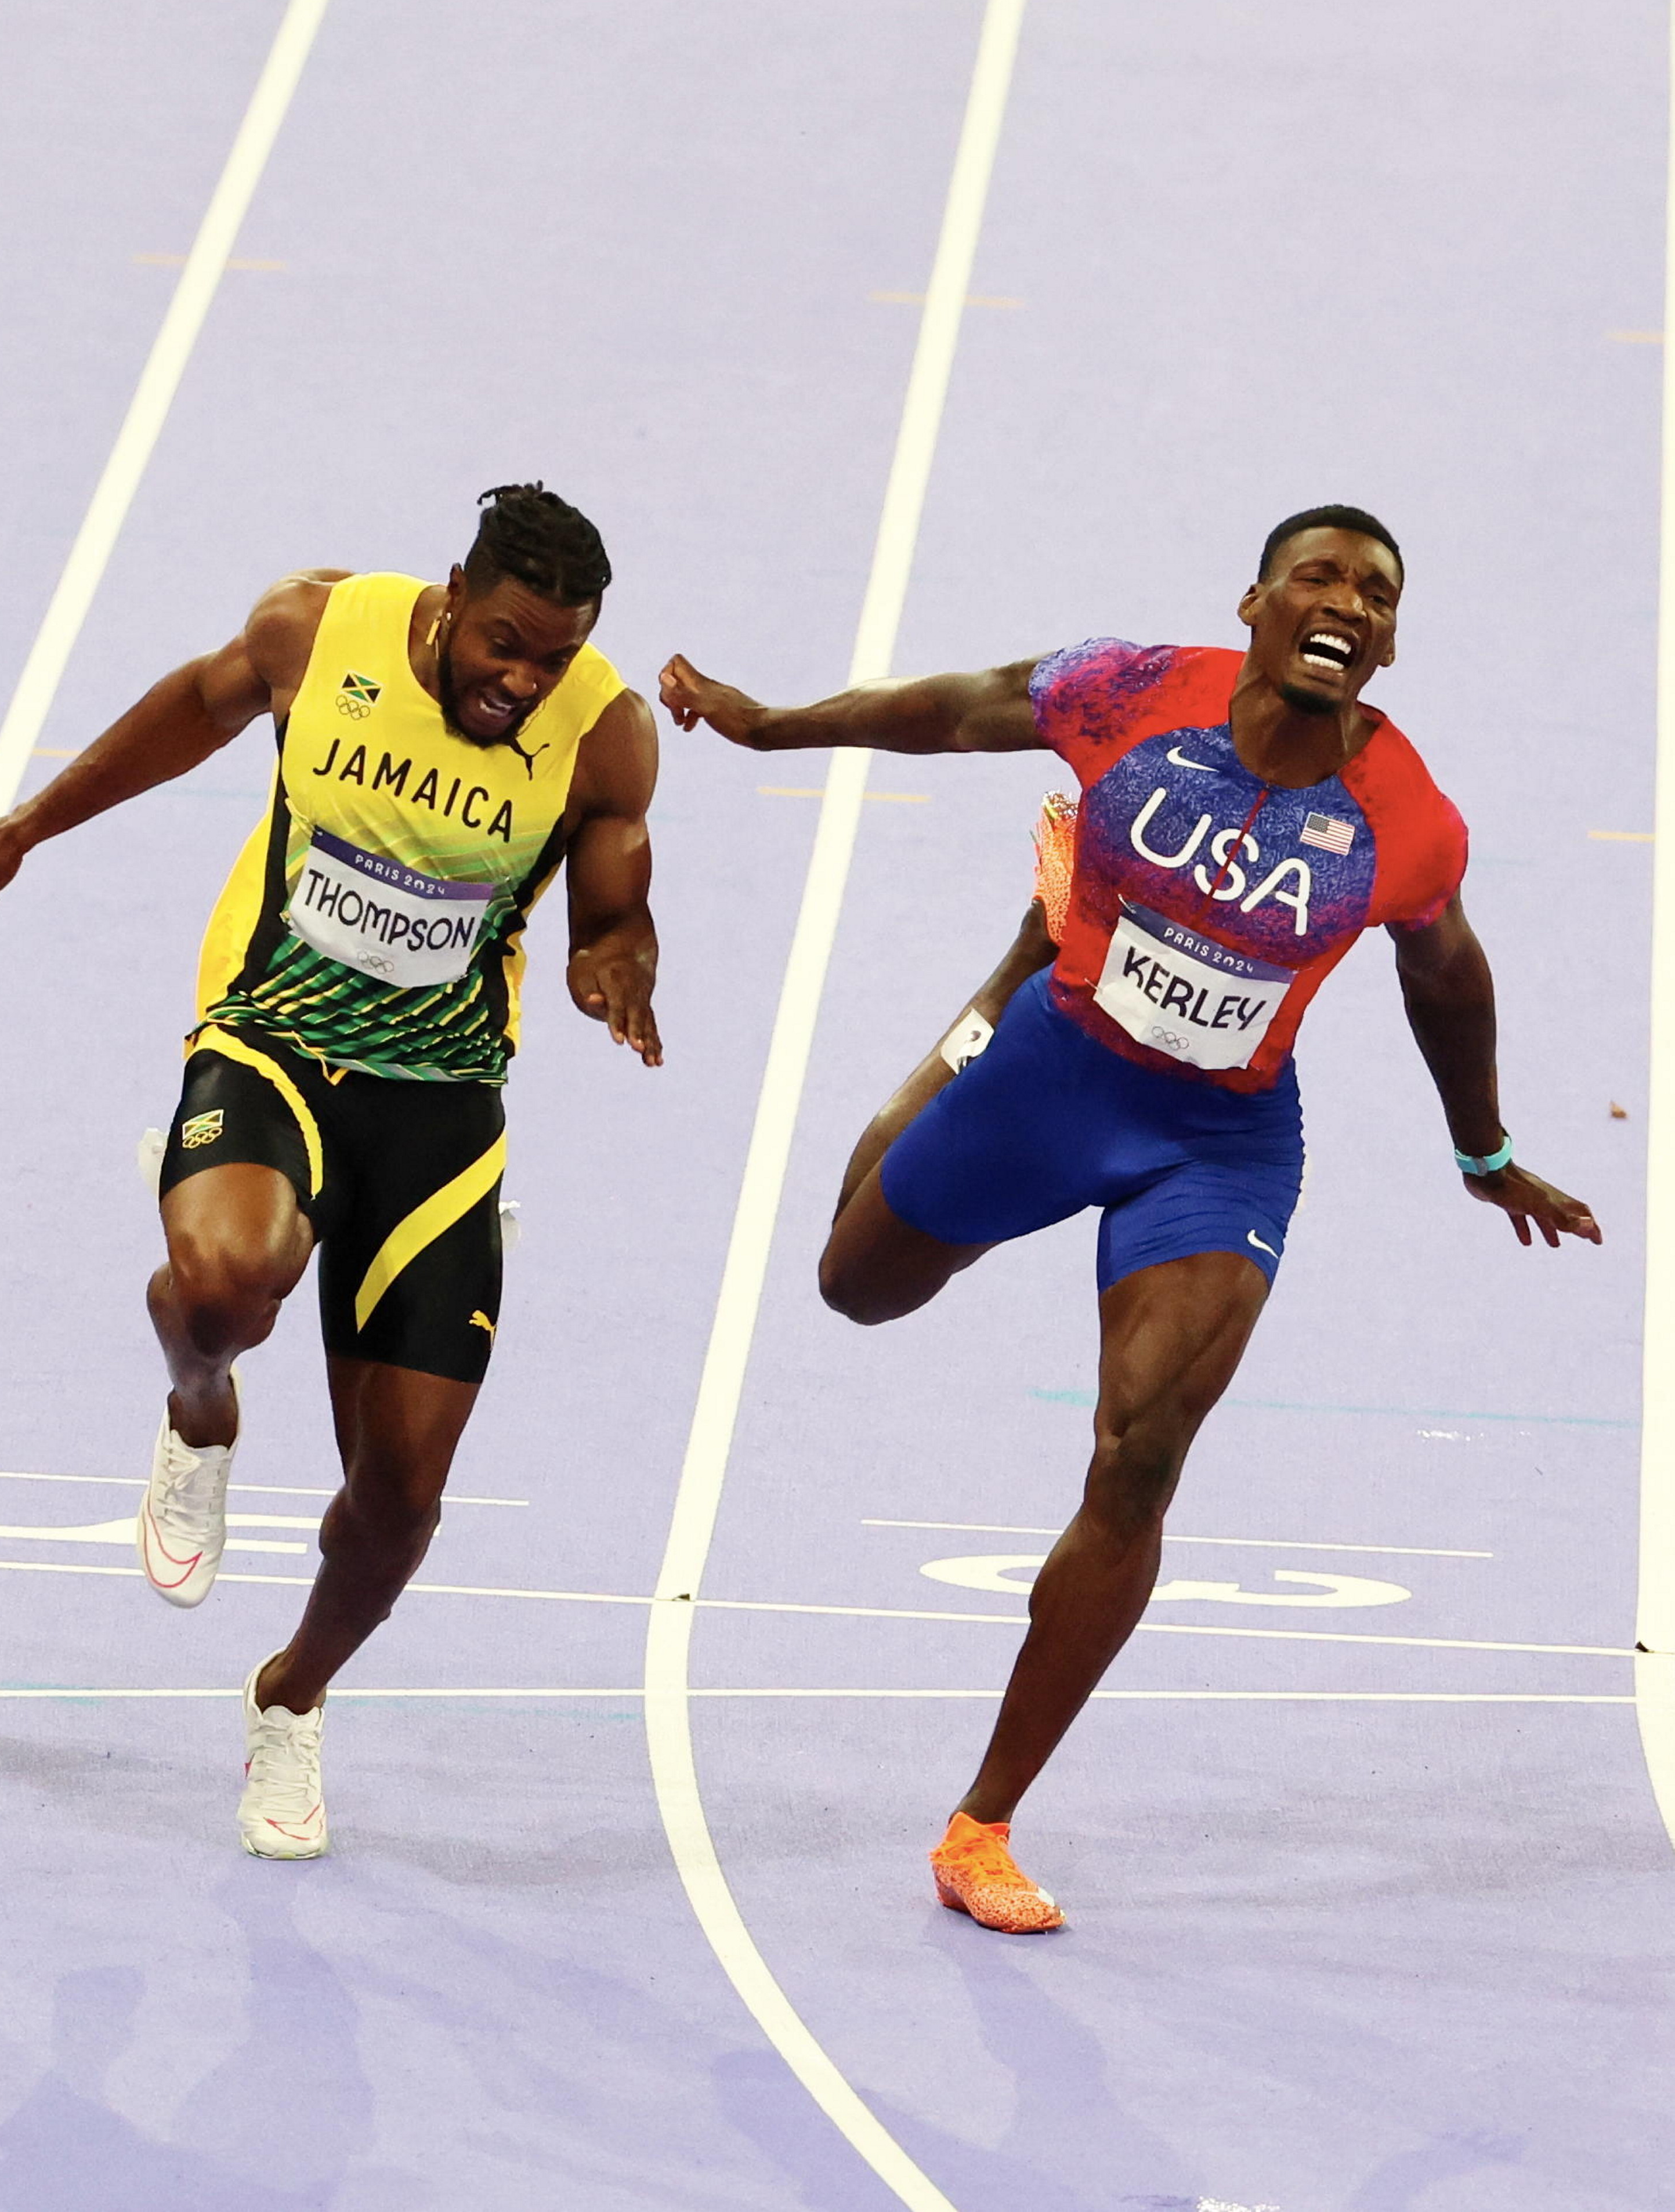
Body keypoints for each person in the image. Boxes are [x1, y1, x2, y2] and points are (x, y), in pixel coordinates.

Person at [657, 504, 1596, 1932]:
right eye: (1321, 576)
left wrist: (1487, 1152)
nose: (1349, 600)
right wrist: (774, 727)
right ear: (1260, 604)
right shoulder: (1132, 691)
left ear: (1388, 641)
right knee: (857, 1283)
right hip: (1053, 1069)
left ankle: (982, 1824)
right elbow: (964, 709)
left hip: (1217, 1142)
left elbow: (1445, 976)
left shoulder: (1406, 819)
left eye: (1378, 593)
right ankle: (1009, 969)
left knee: (1143, 1451)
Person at [0, 483, 664, 1857]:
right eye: (505, 642)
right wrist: (20, 829)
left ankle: (292, 1694)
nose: (523, 678)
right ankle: (201, 1414)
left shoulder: (605, 732)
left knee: (399, 1502)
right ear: (453, 593)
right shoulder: (318, 632)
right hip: (274, 1038)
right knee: (223, 1286)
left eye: (552, 656)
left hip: (441, 1107)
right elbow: (189, 716)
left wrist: (614, 961)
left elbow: (613, 907)